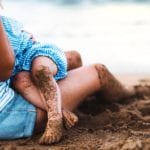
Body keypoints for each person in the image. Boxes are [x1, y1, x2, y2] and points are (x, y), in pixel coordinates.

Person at [1, 6, 150, 145]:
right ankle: (127, 92)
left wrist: (19, 39)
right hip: (12, 107)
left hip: (25, 65)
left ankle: (81, 96)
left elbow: (12, 60)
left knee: (57, 64)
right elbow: (6, 69)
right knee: (97, 71)